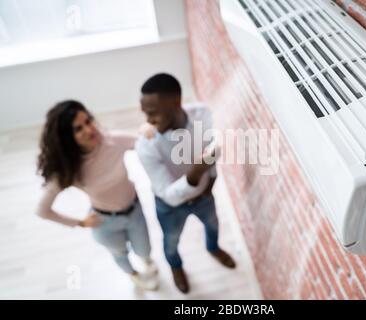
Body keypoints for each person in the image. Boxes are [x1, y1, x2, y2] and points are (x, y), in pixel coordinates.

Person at [36, 100, 158, 290]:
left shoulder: (114, 141)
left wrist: (147, 128)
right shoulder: (68, 169)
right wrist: (80, 222)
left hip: (135, 212)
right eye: (78, 129)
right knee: (120, 254)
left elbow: (145, 141)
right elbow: (42, 210)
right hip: (105, 223)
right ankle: (134, 275)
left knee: (145, 249)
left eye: (88, 121)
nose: (89, 129)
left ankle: (147, 261)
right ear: (67, 138)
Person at [135, 73, 236, 294]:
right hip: (170, 207)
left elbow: (213, 148)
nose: (148, 120)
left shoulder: (201, 114)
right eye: (145, 113)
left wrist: (211, 178)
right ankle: (176, 268)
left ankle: (214, 248)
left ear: (176, 103)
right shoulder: (146, 146)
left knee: (213, 226)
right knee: (171, 243)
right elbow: (168, 194)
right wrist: (196, 172)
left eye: (153, 113)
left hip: (203, 196)